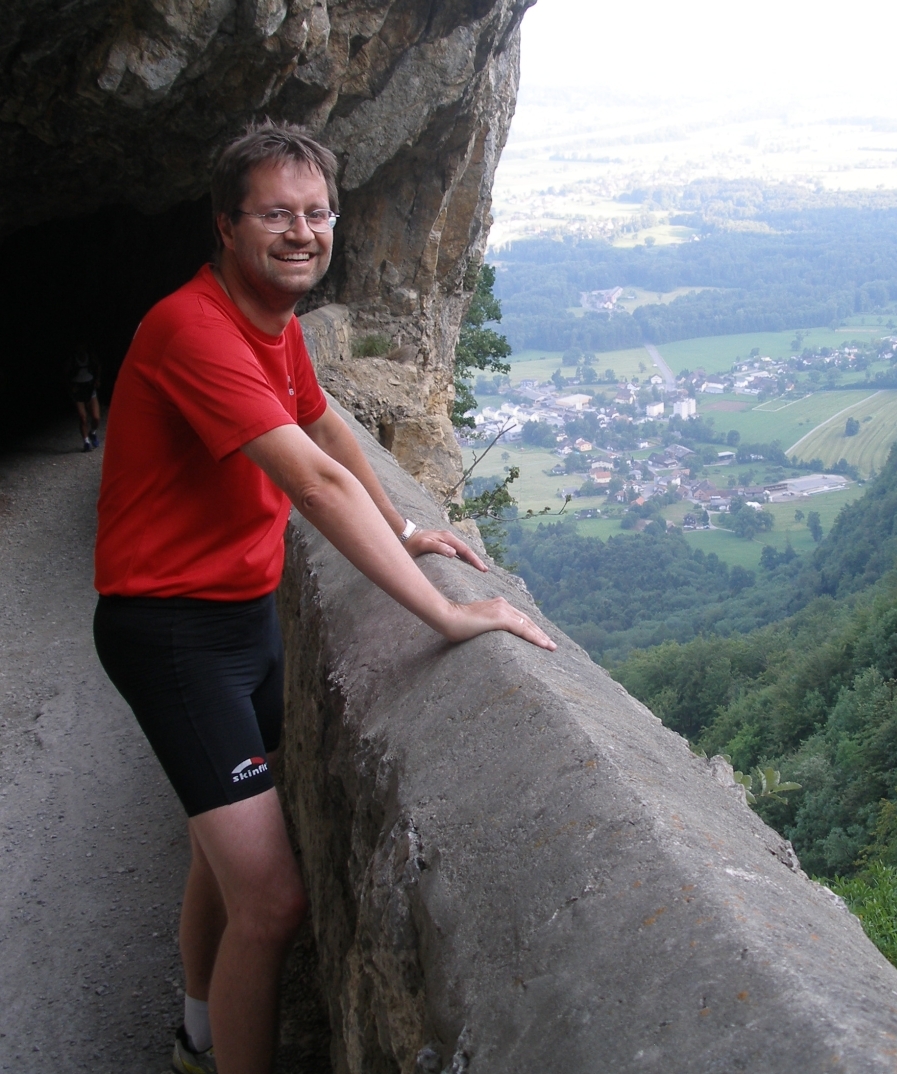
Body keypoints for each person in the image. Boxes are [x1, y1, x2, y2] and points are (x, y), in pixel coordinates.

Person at [91, 121, 555, 1074]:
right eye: (276, 213)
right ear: (226, 225)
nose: (303, 231)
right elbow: (313, 482)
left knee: (215, 859)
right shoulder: (193, 328)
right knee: (273, 903)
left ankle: (196, 1032)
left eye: (317, 213)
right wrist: (451, 612)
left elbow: (325, 426)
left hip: (244, 619)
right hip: (173, 635)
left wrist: (404, 529)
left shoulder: (275, 326)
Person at [67, 345, 101, 451]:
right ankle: (86, 442)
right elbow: (65, 372)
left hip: (89, 387)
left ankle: (92, 432)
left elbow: (98, 366)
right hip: (78, 388)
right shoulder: (72, 358)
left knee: (96, 417)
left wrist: (97, 379)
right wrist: (70, 386)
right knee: (83, 417)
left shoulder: (90, 356)